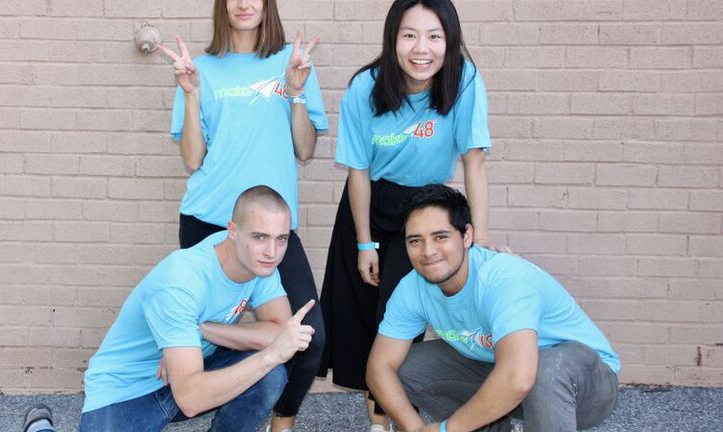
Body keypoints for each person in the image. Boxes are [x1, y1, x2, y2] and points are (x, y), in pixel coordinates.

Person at [318, 0, 495, 429]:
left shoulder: (465, 80)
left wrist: (481, 240)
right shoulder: (366, 86)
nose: (423, 48)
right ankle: (378, 420)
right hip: (368, 206)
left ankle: (390, 416)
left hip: (426, 211)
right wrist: (365, 243)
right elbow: (358, 171)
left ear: (449, 40)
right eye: (410, 35)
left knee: (398, 321)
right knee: (359, 318)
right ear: (393, 38)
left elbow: (474, 162)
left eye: (435, 36)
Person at [157, 0, 328, 430]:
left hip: (271, 229)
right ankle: (207, 404)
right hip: (209, 220)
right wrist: (191, 94)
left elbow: (305, 149)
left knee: (311, 336)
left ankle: (281, 421)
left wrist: (295, 91)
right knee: (202, 328)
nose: (244, 3)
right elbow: (193, 159)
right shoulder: (202, 69)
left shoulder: (293, 62)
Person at [367, 184, 621, 432]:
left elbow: (519, 377)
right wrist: (415, 428)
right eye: (415, 241)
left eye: (440, 237)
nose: (428, 251)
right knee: (406, 365)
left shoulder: (503, 278)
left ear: (466, 236)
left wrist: (448, 429)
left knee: (543, 370)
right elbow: (379, 368)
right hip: (505, 373)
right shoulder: (412, 287)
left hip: (585, 386)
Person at [79, 186, 316, 432]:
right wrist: (270, 355)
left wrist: (204, 330)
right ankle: (39, 424)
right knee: (267, 363)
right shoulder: (181, 280)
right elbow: (191, 400)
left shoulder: (257, 262)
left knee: (270, 377)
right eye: (259, 237)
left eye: (281, 239)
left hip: (193, 370)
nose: (272, 252)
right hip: (126, 390)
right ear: (233, 231)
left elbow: (279, 331)